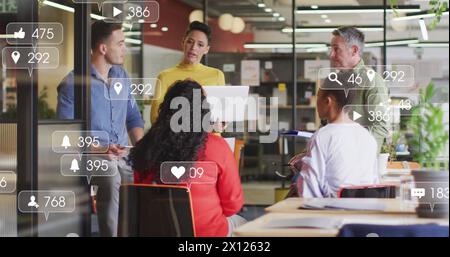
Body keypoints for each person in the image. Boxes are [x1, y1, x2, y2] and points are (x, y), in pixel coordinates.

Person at [57, 20, 144, 236]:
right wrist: (100, 150)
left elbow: (133, 117)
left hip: (123, 152)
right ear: (103, 48)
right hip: (92, 155)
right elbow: (65, 135)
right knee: (112, 173)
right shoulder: (73, 83)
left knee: (145, 173)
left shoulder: (122, 76)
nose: (125, 49)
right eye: (121, 43)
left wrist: (142, 150)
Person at [131, 80, 245, 237]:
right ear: (203, 111)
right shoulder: (216, 146)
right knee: (245, 225)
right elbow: (233, 204)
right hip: (207, 233)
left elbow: (140, 199)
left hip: (155, 230)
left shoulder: (146, 147)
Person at [291, 72, 379, 198]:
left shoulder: (322, 136)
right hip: (365, 212)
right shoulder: (367, 136)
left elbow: (309, 190)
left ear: (328, 101)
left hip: (332, 211)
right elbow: (374, 182)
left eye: (318, 97)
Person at [151, 21, 225, 125]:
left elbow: (223, 115)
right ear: (183, 42)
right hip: (177, 139)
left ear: (206, 49)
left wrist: (222, 123)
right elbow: (155, 118)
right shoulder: (164, 76)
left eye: (200, 44)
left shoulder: (217, 75)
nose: (194, 47)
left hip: (210, 138)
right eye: (190, 42)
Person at [329, 26, 389, 152]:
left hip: (357, 162)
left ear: (354, 50)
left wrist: (359, 157)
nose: (331, 55)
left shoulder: (372, 80)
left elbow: (379, 127)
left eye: (336, 49)